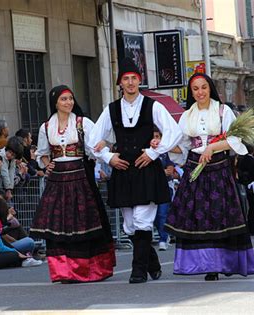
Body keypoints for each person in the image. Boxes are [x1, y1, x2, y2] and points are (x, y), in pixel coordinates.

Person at [89, 58, 182, 283]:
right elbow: (92, 140)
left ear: (140, 80)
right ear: (120, 83)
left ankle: (138, 270)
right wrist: (109, 157)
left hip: (146, 168)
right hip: (122, 169)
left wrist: (153, 153)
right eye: (126, 79)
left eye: (134, 78)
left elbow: (174, 132)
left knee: (142, 220)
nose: (130, 83)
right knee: (129, 225)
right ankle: (152, 262)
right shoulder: (111, 109)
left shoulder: (153, 106)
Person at [164, 73, 254, 281]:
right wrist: (165, 146)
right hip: (195, 170)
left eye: (203, 87)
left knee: (219, 216)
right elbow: (185, 146)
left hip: (219, 169)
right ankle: (206, 264)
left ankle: (222, 263)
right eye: (195, 89)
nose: (200, 92)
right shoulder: (187, 116)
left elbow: (235, 140)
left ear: (210, 88)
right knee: (198, 218)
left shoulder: (223, 112)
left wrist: (212, 147)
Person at [30, 85, 115, 283]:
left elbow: (96, 146)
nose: (68, 102)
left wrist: (104, 150)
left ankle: (88, 269)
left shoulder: (82, 123)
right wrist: (47, 165)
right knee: (59, 226)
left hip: (80, 178)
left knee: (84, 223)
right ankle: (64, 270)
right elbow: (42, 153)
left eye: (70, 98)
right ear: (55, 103)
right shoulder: (46, 127)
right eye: (63, 99)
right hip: (57, 180)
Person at [150, 126, 175, 251]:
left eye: (157, 137)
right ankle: (163, 233)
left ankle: (163, 239)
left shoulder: (164, 152)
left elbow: (170, 166)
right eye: (153, 137)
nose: (155, 139)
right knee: (153, 216)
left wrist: (170, 169)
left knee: (162, 213)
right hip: (151, 188)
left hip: (165, 187)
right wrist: (161, 172)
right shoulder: (146, 153)